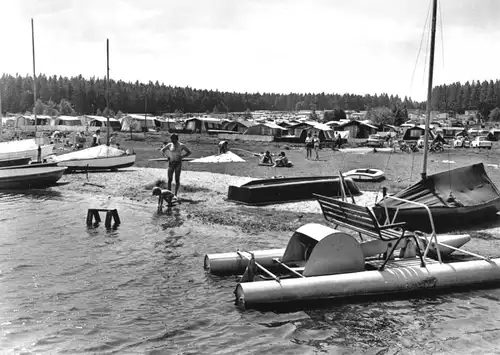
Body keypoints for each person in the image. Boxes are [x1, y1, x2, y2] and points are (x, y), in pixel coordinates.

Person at [160, 134, 192, 199]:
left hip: (178, 164)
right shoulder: (169, 145)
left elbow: (189, 152)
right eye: (171, 139)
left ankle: (175, 194)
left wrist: (182, 157)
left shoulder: (181, 145)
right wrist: (167, 157)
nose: (172, 140)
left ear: (176, 139)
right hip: (171, 163)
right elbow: (162, 150)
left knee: (177, 179)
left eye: (173, 139)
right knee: (169, 179)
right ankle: (169, 193)